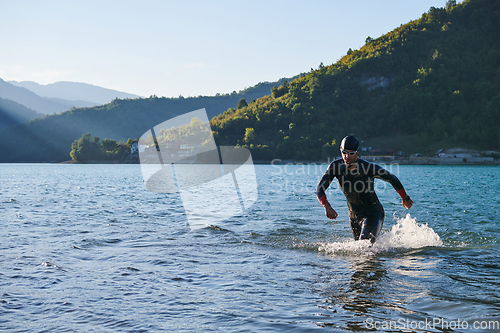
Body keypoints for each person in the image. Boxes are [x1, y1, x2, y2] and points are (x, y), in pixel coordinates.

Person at [315, 135, 413, 243]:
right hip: (353, 216)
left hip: (373, 212)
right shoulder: (335, 167)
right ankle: (381, 257)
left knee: (364, 247)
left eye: (351, 153)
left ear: (356, 153)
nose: (347, 156)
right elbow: (319, 189)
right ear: (340, 150)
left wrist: (405, 197)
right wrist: (327, 206)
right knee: (360, 253)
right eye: (344, 152)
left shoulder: (368, 168)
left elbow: (391, 178)